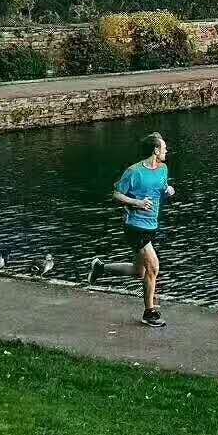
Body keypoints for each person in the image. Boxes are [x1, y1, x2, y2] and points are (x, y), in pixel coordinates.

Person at [88, 132, 175, 328]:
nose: (166, 150)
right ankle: (149, 312)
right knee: (153, 267)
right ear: (155, 150)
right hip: (134, 226)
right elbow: (116, 194)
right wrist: (136, 202)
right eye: (164, 147)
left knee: (139, 271)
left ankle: (100, 267)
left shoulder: (163, 169)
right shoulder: (133, 172)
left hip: (151, 225)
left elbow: (160, 188)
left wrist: (168, 190)